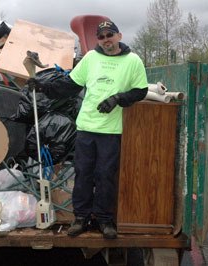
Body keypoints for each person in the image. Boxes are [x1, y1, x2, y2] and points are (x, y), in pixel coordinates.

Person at [28, 20, 148, 239]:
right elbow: (70, 86)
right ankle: (81, 218)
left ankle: (104, 220)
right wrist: (44, 87)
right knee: (83, 174)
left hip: (111, 131)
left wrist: (118, 98)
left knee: (105, 175)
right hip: (85, 128)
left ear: (119, 36)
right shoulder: (91, 58)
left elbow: (140, 91)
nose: (105, 40)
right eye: (101, 37)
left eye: (109, 35)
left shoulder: (133, 61)